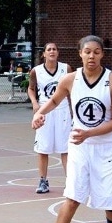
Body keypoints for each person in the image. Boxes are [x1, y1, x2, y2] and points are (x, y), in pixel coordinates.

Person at [31, 35, 112, 223]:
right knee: (73, 196)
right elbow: (54, 101)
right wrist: (40, 112)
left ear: (102, 54)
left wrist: (89, 134)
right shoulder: (70, 79)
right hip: (79, 146)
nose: (91, 56)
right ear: (80, 54)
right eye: (87, 51)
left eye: (96, 52)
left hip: (107, 146)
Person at [28, 43, 73, 193]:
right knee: (43, 148)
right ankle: (43, 181)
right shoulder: (36, 71)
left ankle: (70, 181)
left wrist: (74, 111)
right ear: (44, 54)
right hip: (44, 110)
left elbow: (73, 90)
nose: (52, 51)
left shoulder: (66, 69)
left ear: (58, 53)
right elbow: (30, 88)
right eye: (49, 49)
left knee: (65, 148)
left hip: (62, 111)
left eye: (54, 49)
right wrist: (35, 103)